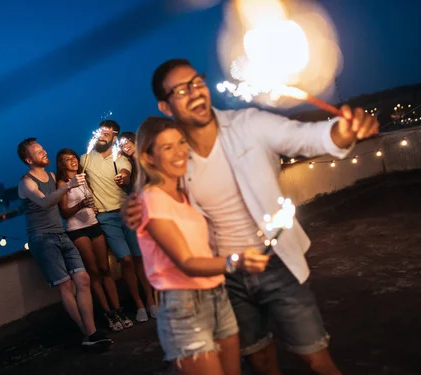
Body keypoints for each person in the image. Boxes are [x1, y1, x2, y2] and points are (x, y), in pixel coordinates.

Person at [122, 59, 379, 375]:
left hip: (276, 263)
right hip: (226, 278)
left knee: (315, 358)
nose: (195, 92)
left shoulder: (248, 124)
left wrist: (341, 132)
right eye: (181, 89)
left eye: (198, 82)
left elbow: (304, 137)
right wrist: (133, 205)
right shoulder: (176, 156)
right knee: (259, 361)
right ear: (165, 105)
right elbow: (157, 195)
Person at [134, 116, 270, 375]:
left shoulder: (186, 194)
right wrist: (237, 261)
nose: (180, 152)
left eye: (181, 142)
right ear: (148, 157)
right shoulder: (151, 200)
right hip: (183, 305)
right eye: (167, 147)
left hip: (218, 295)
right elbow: (187, 263)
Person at [17, 138, 112, 348]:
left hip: (61, 234)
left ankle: (92, 332)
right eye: (38, 151)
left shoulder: (51, 176)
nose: (44, 152)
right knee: (66, 285)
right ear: (28, 159)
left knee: (84, 279)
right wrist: (69, 185)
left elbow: (60, 202)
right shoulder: (26, 182)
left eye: (43, 148)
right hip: (42, 239)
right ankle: (89, 334)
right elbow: (45, 202)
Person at [82, 120, 156, 322]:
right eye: (100, 132)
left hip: (127, 213)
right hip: (106, 217)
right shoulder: (86, 159)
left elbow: (126, 173)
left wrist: (122, 178)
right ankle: (139, 305)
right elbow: (78, 180)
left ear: (114, 137)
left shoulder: (121, 158)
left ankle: (151, 301)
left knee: (139, 257)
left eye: (107, 134)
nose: (102, 136)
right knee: (126, 260)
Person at [56, 148, 134, 332]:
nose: (73, 161)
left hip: (94, 225)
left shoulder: (84, 178)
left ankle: (119, 310)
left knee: (105, 269)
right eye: (68, 159)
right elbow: (64, 212)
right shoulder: (63, 183)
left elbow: (92, 201)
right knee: (94, 272)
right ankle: (108, 314)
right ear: (62, 164)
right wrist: (81, 205)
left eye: (74, 157)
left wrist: (94, 208)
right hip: (78, 230)